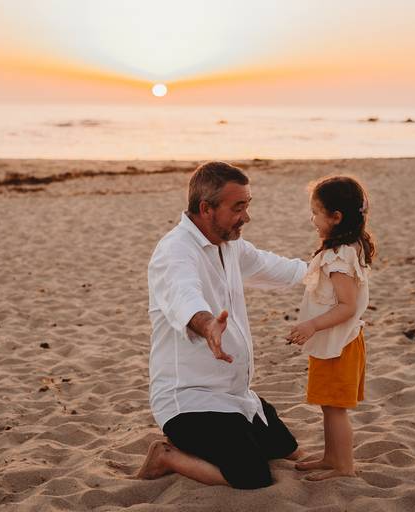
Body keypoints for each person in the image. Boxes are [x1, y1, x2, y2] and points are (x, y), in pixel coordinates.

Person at [137, 161, 308, 489]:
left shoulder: (230, 244)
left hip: (236, 396)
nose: (246, 216)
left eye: (247, 205)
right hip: (190, 402)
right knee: (253, 477)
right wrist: (208, 326)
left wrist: (328, 269)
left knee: (290, 453)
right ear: (206, 208)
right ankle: (166, 456)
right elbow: (184, 296)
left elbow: (278, 268)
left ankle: (236, 431)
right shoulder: (174, 253)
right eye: (238, 207)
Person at [285, 175, 376, 481]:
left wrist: (312, 324)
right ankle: (331, 457)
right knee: (328, 404)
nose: (312, 219)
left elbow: (347, 305)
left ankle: (343, 465)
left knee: (335, 408)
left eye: (316, 212)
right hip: (337, 341)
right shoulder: (349, 246)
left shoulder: (339, 256)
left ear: (336, 217)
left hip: (339, 342)